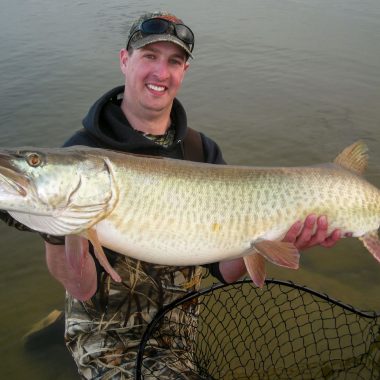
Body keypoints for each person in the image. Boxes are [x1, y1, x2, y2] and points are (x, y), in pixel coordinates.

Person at [2, 11, 342, 379]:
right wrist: (57, 228)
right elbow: (81, 286)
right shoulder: (84, 150)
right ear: (124, 60)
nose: (160, 73)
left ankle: (51, 332)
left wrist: (277, 237)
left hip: (178, 334)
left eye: (174, 61)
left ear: (183, 72)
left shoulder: (200, 151)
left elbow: (224, 270)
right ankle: (64, 333)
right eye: (149, 56)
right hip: (108, 337)